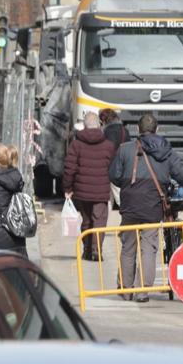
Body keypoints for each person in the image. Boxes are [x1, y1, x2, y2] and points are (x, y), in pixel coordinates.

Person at [109, 114, 183, 302]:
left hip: (130, 205)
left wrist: (129, 186)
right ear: (157, 129)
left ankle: (126, 290)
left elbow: (114, 175)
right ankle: (142, 292)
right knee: (149, 247)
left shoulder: (125, 150)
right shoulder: (167, 152)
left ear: (138, 129)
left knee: (128, 247)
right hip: (153, 206)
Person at [64, 111, 117, 261]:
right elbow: (113, 168)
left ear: (84, 126)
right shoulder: (108, 145)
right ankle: (96, 250)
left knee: (86, 220)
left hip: (81, 192)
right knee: (99, 220)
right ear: (99, 125)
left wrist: (67, 188)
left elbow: (69, 168)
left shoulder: (76, 144)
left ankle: (87, 250)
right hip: (101, 191)